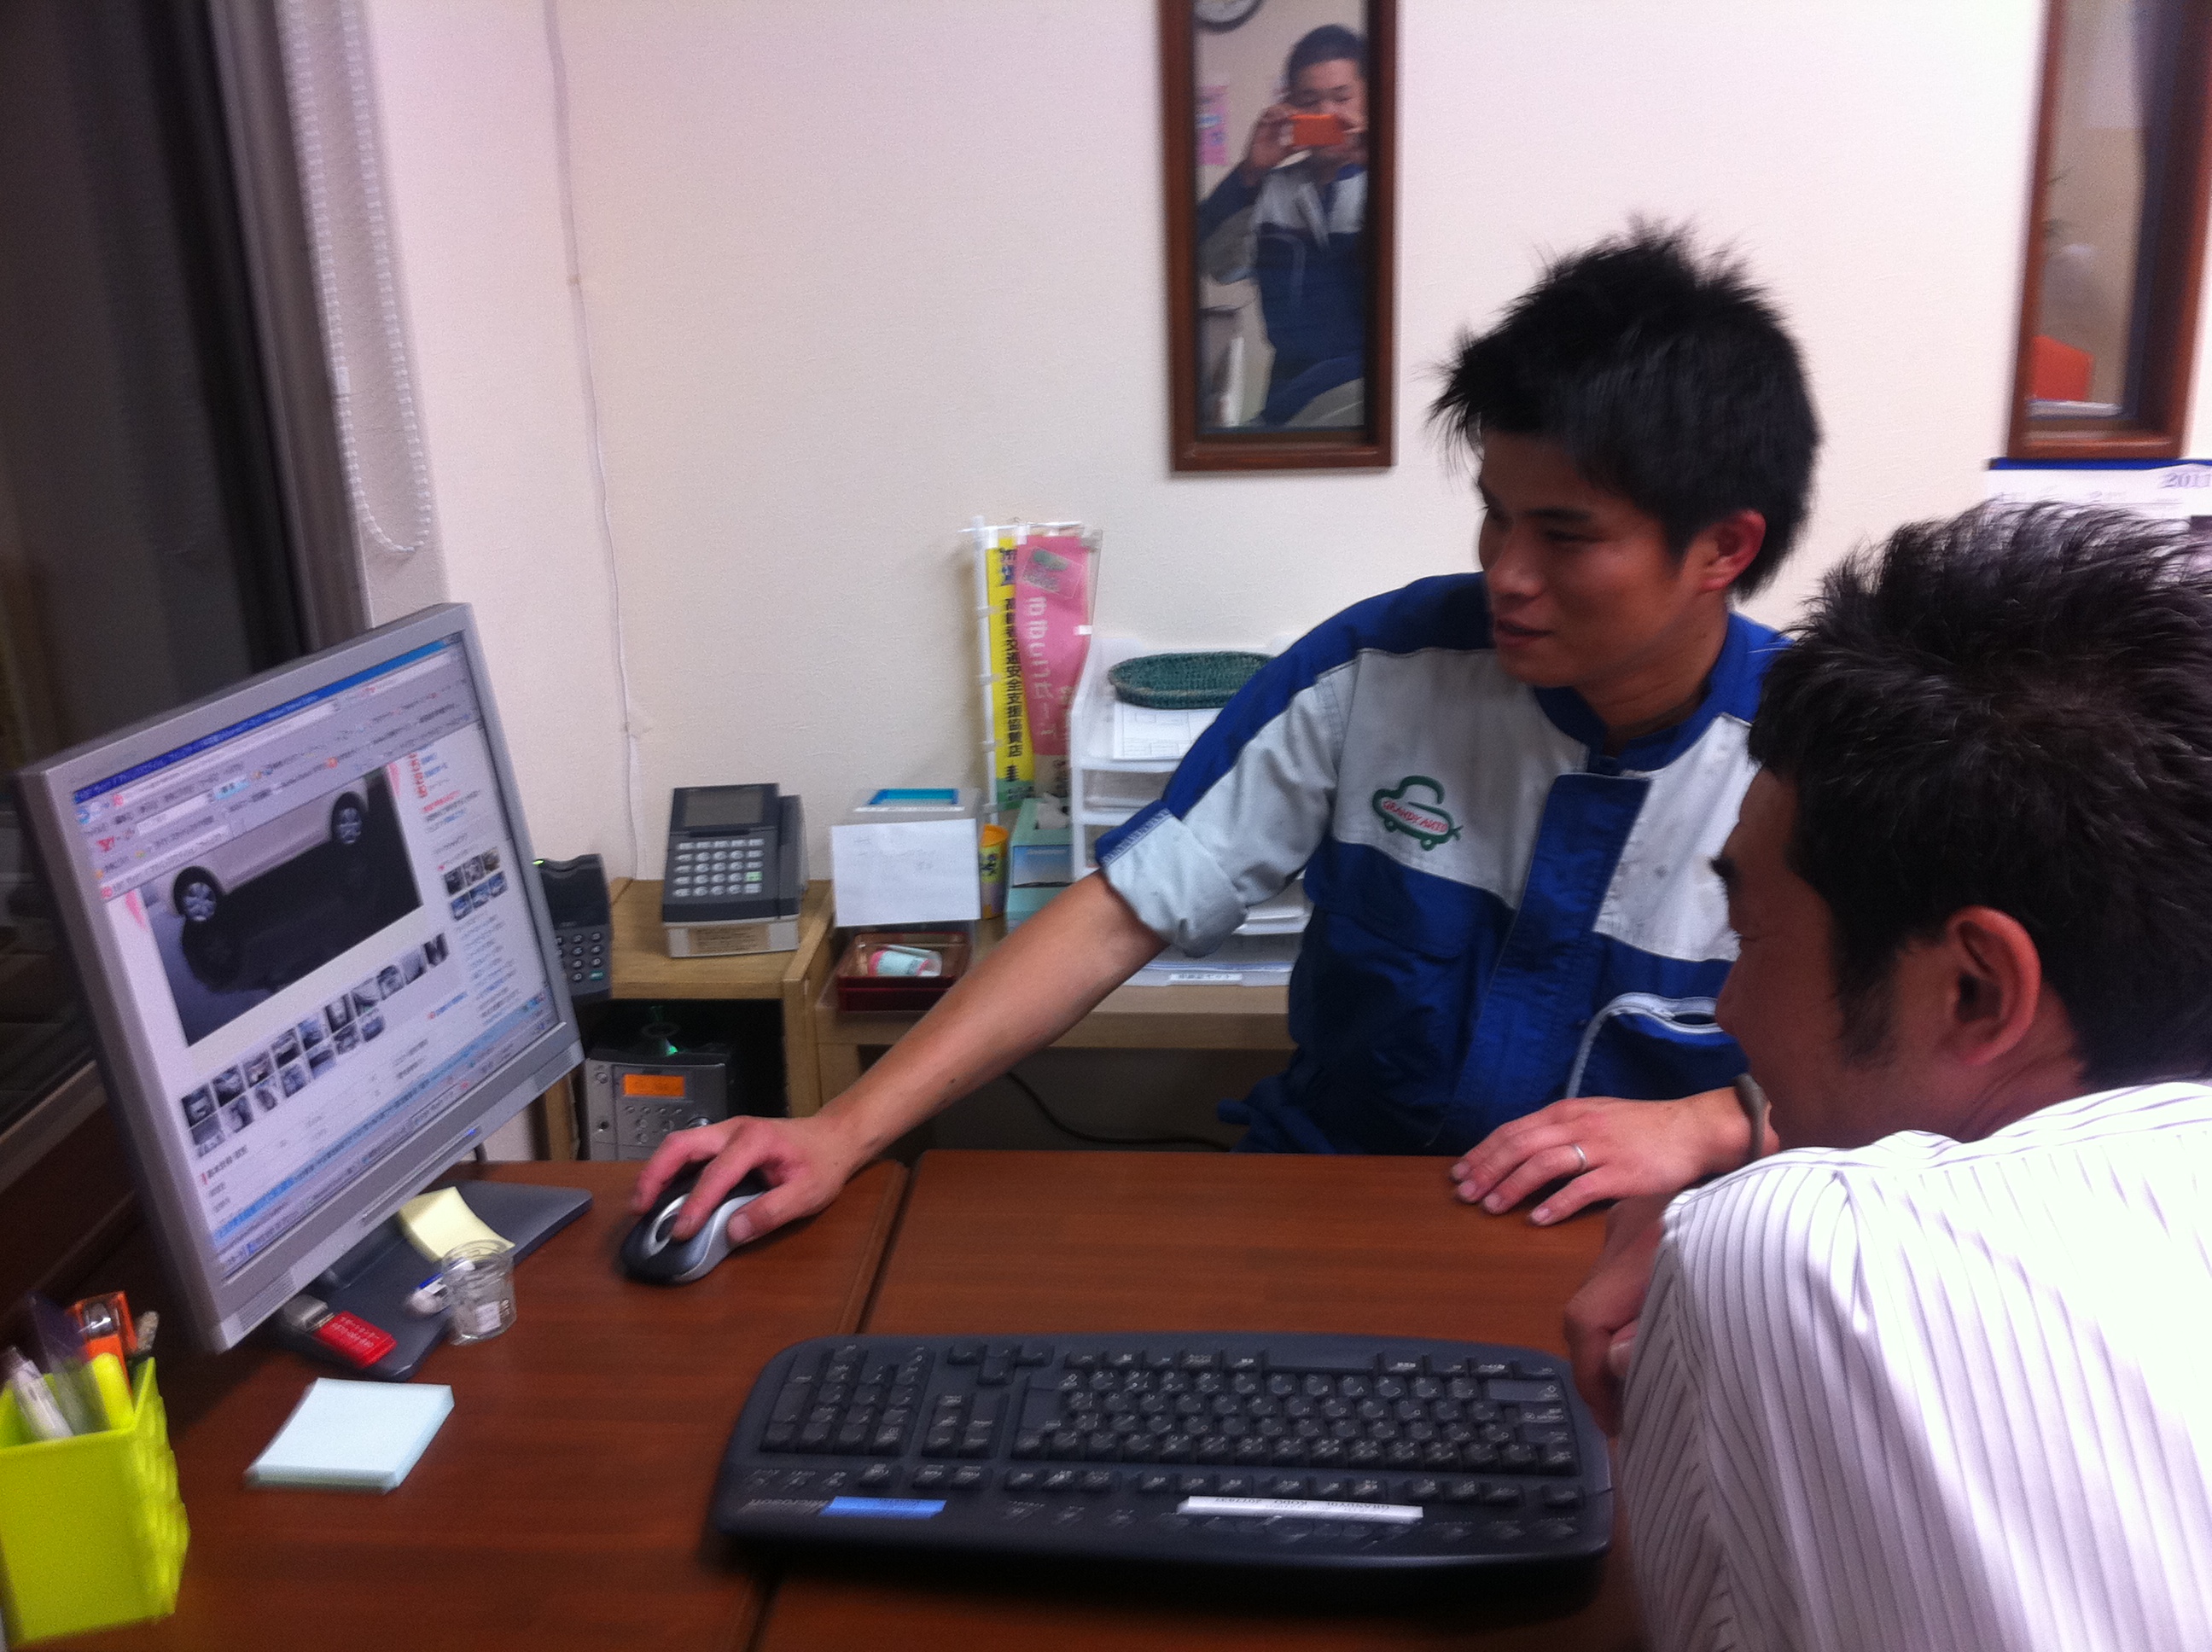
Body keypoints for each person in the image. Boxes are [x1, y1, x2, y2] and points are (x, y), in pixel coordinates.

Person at [632, 224, 1819, 1252]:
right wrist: (842, 1130)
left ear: (1723, 547)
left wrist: (1717, 1122)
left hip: (1640, 1253)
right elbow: (1125, 908)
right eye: (1494, 517)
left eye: (1565, 535)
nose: (1506, 573)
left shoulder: (1821, 756)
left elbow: (1918, 1078)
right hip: (1335, 1210)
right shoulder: (1380, 669)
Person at [1579, 504, 2212, 1650]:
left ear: (1973, 990)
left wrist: (1717, 1280)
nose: (1729, 1009)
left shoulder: (1808, 1255)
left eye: (1753, 936)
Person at [1198, 25, 1371, 428]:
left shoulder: (1395, 184)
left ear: (1369, 98)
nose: (1327, 113)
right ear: (1291, 105)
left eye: (1342, 97)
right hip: (1287, 398)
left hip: (1370, 394)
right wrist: (1250, 172)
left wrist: (1376, 164)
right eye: (1310, 101)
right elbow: (1215, 264)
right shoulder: (1269, 190)